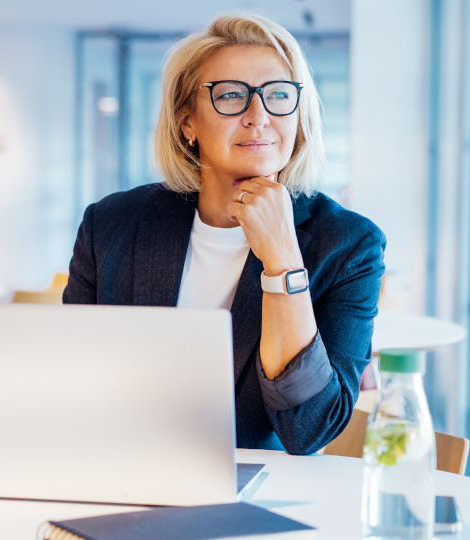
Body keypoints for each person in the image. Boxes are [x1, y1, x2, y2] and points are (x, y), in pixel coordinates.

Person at [63, 13, 385, 455]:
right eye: (231, 95)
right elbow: (71, 380)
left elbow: (309, 429)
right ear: (187, 123)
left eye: (277, 96)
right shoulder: (111, 224)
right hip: (120, 471)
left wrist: (283, 262)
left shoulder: (348, 245)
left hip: (260, 495)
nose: (259, 116)